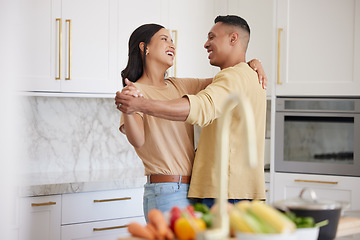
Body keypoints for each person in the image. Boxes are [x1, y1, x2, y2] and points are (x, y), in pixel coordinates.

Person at [117, 21, 267, 217]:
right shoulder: (135, 92)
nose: (172, 44)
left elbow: (229, 80)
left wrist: (253, 63)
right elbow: (138, 140)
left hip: (190, 189)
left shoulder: (180, 86)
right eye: (164, 39)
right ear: (145, 47)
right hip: (166, 190)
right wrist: (130, 108)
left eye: (172, 40)